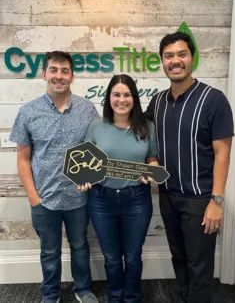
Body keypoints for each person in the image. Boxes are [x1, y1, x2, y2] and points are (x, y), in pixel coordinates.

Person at [145, 32, 234, 303]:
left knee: (200, 266)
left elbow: (223, 153)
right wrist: (151, 162)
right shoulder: (157, 102)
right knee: (179, 258)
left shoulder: (214, 99)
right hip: (168, 196)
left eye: (181, 54)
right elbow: (146, 141)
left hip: (200, 200)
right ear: (162, 61)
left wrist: (216, 201)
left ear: (192, 58)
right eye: (169, 56)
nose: (175, 61)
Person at [9, 51, 100, 303]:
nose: (59, 76)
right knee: (49, 251)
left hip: (79, 198)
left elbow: (96, 151)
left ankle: (83, 289)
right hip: (44, 198)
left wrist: (91, 177)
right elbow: (23, 159)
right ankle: (50, 294)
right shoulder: (28, 112)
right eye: (53, 70)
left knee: (80, 246)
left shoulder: (87, 109)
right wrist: (33, 197)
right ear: (44, 74)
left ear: (72, 75)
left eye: (64, 71)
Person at [78, 74, 159, 303]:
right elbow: (86, 164)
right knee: (112, 258)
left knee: (133, 257)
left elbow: (152, 159)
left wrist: (151, 172)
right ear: (109, 98)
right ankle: (115, 298)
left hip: (137, 200)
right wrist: (83, 179)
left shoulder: (147, 127)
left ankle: (132, 298)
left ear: (134, 98)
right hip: (101, 199)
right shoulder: (96, 127)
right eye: (116, 94)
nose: (121, 100)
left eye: (126, 94)